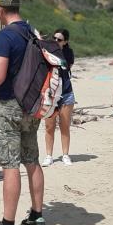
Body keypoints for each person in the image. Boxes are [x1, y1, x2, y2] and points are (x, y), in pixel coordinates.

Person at [0, 0, 46, 225]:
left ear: (0, 9)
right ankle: (37, 214)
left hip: (9, 106)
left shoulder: (6, 35)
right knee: (32, 160)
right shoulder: (32, 31)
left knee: (10, 165)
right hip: (32, 104)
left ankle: (8, 224)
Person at [42, 28, 76, 167]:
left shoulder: (68, 53)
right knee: (49, 127)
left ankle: (65, 155)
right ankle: (49, 155)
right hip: (50, 93)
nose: (56, 41)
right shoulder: (45, 52)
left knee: (64, 126)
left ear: (65, 42)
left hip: (66, 92)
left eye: (59, 39)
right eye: (54, 38)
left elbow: (67, 69)